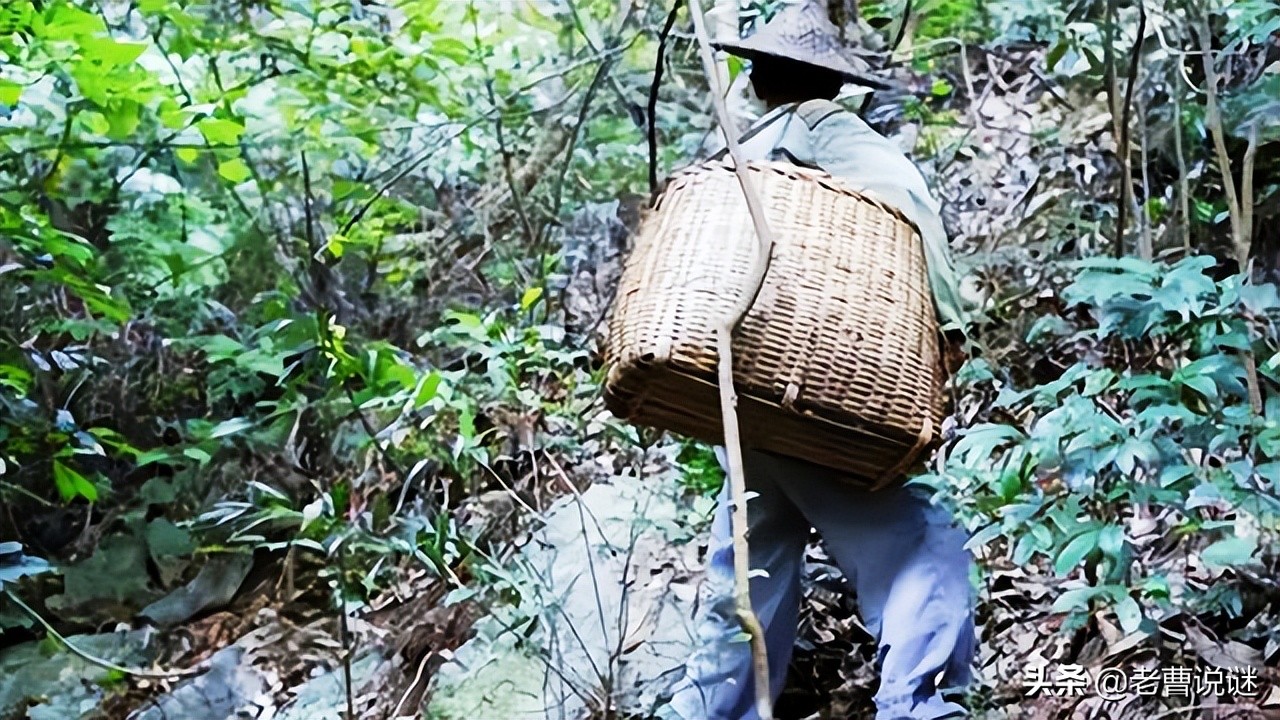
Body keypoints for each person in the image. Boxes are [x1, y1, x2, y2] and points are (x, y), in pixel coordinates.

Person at [660, 3, 977, 719]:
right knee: (920, 545)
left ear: (758, 80)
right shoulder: (833, 135)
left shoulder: (739, 150)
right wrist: (949, 328)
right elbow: (905, 207)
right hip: (818, 386)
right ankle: (921, 707)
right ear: (833, 85)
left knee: (749, 574)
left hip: (743, 387)